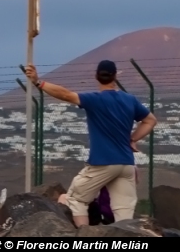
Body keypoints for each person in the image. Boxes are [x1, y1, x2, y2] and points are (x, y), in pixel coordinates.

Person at [24, 60, 156, 226]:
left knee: (76, 199)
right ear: (115, 76)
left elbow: (65, 94)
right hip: (126, 164)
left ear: (96, 76)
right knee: (124, 213)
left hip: (103, 163)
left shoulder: (94, 99)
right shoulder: (130, 100)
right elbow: (150, 120)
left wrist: (38, 81)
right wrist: (132, 139)